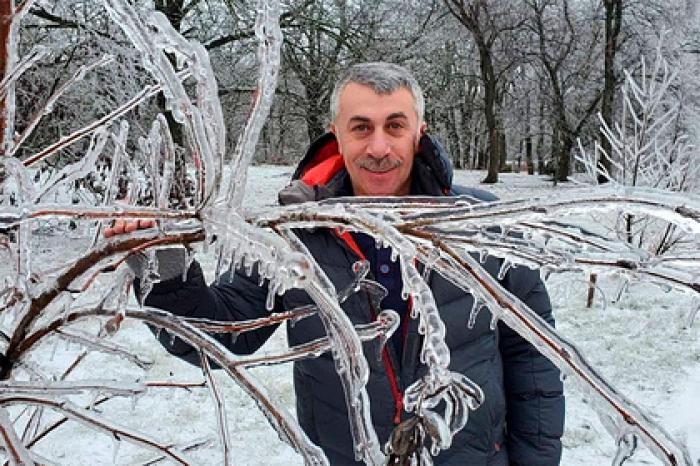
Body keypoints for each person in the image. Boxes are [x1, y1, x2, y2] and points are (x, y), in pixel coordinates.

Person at [106, 62, 564, 465]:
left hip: (470, 456)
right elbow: (226, 334)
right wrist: (163, 272)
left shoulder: (481, 225)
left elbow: (533, 356)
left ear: (419, 131)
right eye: (361, 127)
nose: (379, 147)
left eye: (395, 126)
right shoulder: (292, 233)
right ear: (337, 134)